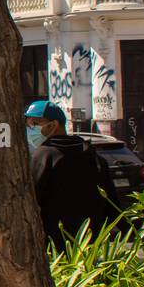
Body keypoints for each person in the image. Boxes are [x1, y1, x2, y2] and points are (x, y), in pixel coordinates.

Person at [26, 100, 119, 246]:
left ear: (54, 125)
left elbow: (30, 200)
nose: (30, 128)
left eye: (35, 123)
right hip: (89, 245)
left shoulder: (43, 156)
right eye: (29, 124)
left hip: (55, 244)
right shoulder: (93, 156)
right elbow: (112, 204)